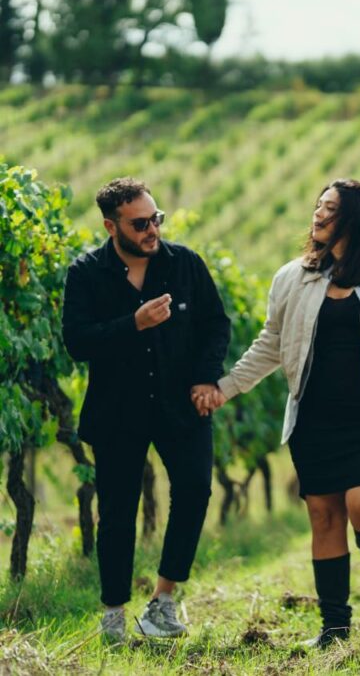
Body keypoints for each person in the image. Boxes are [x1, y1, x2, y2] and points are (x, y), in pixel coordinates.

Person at [196, 179, 360, 648]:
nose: (317, 216)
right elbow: (270, 343)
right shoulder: (293, 277)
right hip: (314, 419)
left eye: (329, 210)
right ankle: (333, 629)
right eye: (317, 206)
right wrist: (226, 388)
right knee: (324, 516)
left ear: (354, 218)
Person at [62, 177, 230, 642]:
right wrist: (131, 324)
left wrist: (204, 375)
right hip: (118, 410)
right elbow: (77, 341)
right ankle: (114, 612)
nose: (152, 229)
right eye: (140, 223)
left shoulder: (185, 265)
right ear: (111, 226)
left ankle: (164, 600)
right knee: (117, 512)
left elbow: (217, 325)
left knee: (195, 490)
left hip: (181, 403)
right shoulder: (86, 273)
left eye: (156, 218)